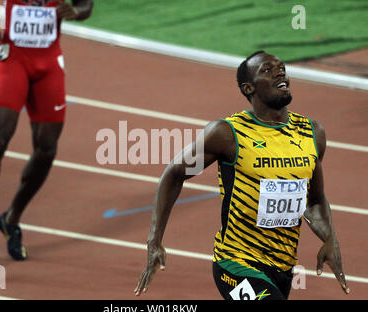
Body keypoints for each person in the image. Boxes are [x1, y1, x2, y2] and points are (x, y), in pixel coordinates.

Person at [134, 51, 350, 299]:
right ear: (249, 88)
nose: (280, 72)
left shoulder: (312, 133)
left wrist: (330, 239)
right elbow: (175, 174)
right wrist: (154, 240)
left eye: (281, 67)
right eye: (267, 70)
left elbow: (313, 200)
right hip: (236, 264)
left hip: (283, 268)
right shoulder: (227, 134)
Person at [0, 0, 93, 268]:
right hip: (13, 59)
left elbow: (85, 4)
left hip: (49, 63)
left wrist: (76, 12)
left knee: (47, 148)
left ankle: (11, 219)